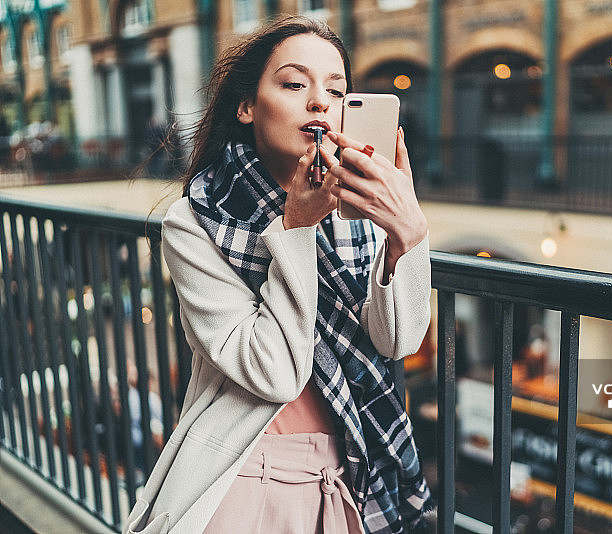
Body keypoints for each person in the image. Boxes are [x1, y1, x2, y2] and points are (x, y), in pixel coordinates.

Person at [123, 15, 432, 534]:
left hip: (345, 478)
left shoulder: (356, 211)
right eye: (294, 84)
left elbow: (396, 339)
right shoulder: (198, 220)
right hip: (244, 475)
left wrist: (408, 234)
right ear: (246, 106)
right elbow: (274, 374)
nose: (319, 103)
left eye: (337, 92)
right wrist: (294, 229)